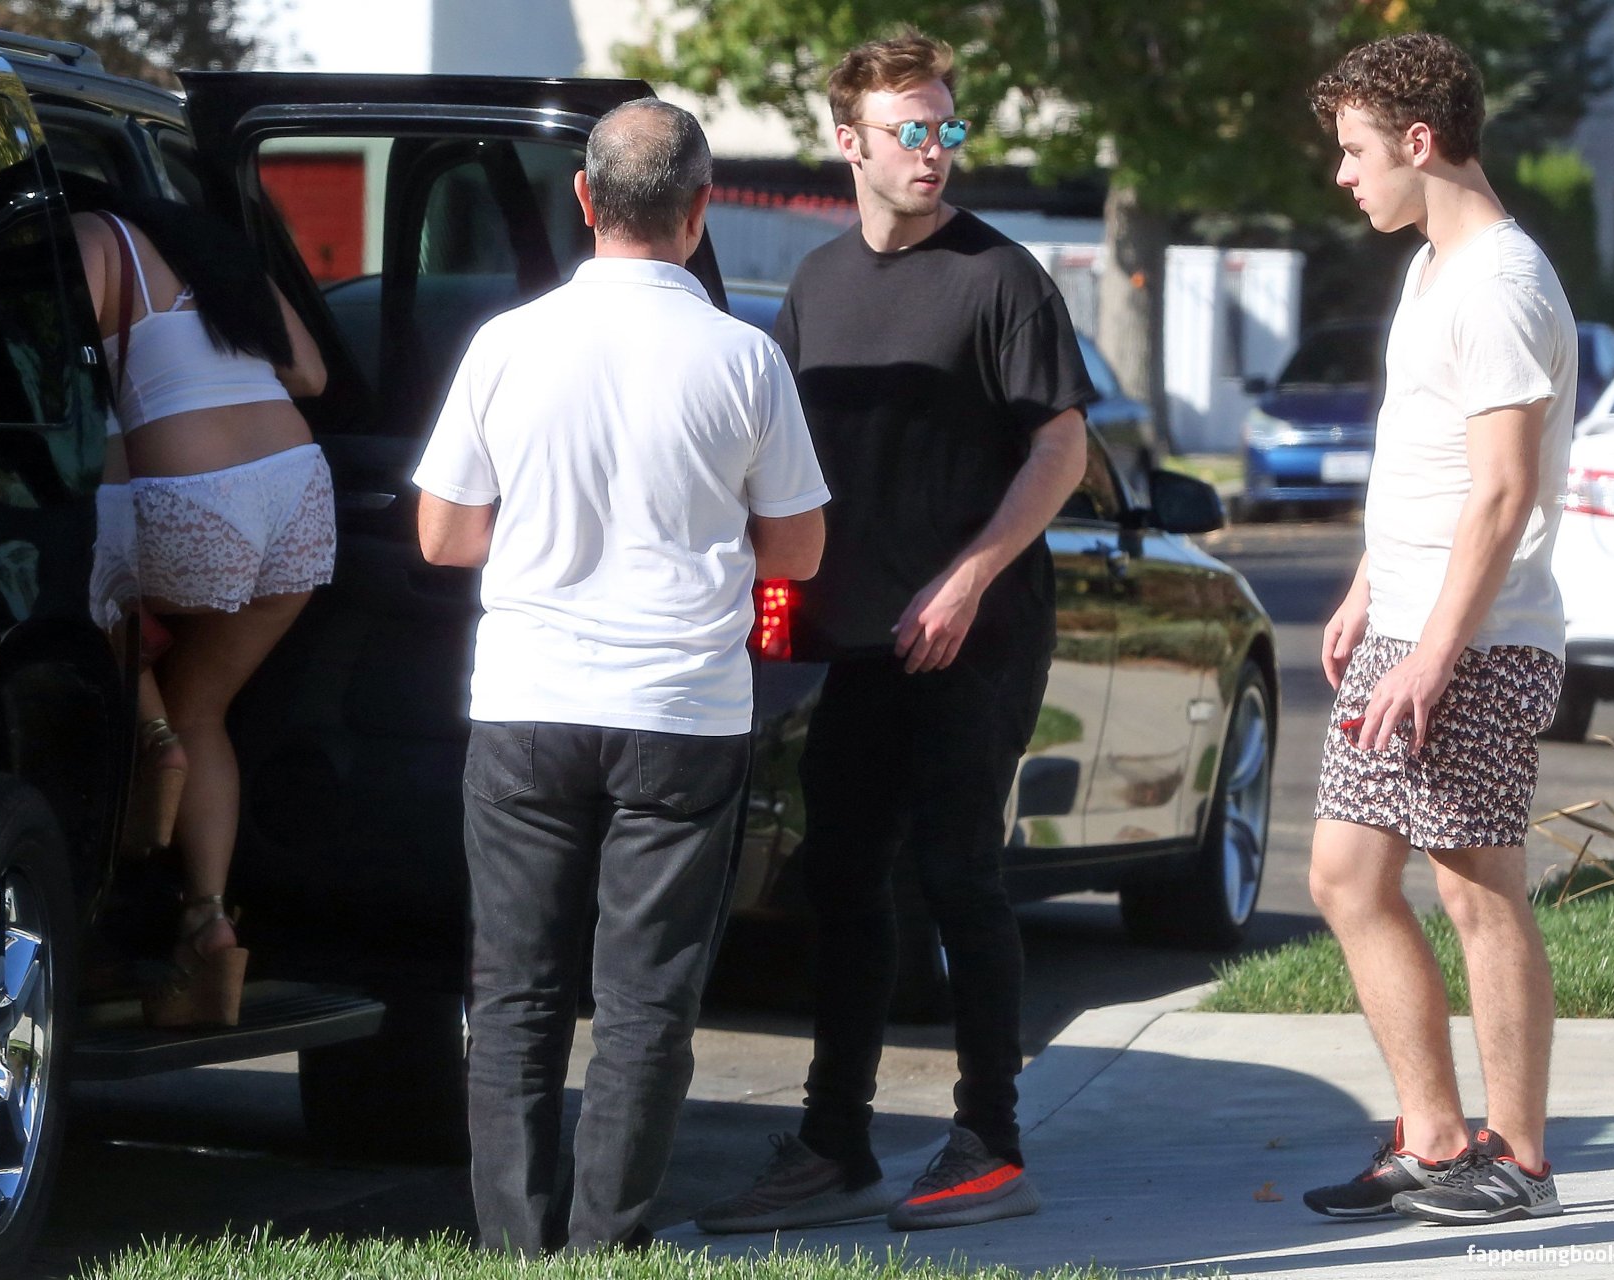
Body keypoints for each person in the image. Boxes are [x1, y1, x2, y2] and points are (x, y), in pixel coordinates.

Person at [412, 98, 828, 1254]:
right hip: (682, 711)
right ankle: (609, 1244)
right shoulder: (745, 357)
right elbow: (798, 550)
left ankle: (514, 1243)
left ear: (584, 199)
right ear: (701, 212)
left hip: (528, 701)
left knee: (515, 989)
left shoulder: (505, 344)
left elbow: (443, 535)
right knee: (647, 999)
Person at [697, 29, 1094, 1235]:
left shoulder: (1001, 277)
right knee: (841, 877)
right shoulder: (817, 284)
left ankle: (990, 1143)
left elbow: (1061, 446)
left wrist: (969, 578)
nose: (934, 150)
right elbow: (782, 460)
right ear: (849, 141)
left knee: (959, 872)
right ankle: (837, 1142)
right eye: (910, 130)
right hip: (856, 637)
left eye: (946, 127)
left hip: (979, 631)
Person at [1300, 33, 1575, 1224]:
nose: (1344, 174)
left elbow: (1504, 491)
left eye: (1356, 151)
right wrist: (1370, 586)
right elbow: (1430, 460)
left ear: (1419, 142)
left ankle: (1521, 1159)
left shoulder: (1502, 283)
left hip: (1478, 638)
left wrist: (1433, 650)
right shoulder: (1434, 266)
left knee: (1478, 890)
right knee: (1345, 874)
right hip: (1410, 623)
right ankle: (1436, 1137)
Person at [70, 183, 334, 1027]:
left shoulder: (94, 235)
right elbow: (311, 374)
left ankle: (152, 740)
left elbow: (56, 364)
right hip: (297, 492)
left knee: (81, 582)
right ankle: (208, 921)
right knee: (206, 710)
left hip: (193, 495)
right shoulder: (219, 255)